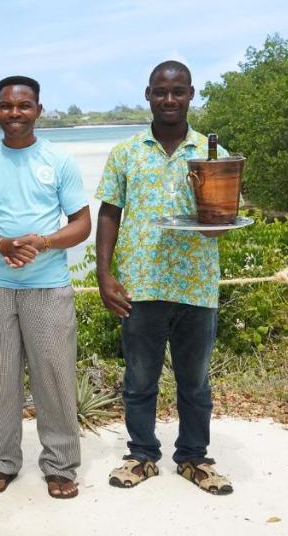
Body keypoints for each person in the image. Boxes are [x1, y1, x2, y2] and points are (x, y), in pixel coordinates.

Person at [95, 60, 234, 496]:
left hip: (195, 284)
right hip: (141, 283)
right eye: (161, 92)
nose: (169, 100)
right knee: (139, 379)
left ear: (192, 94)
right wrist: (104, 274)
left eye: (178, 92)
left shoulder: (214, 155)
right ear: (148, 94)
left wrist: (211, 211)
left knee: (195, 381)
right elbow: (109, 213)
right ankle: (142, 455)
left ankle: (194, 457)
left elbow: (223, 219)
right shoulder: (127, 152)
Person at [0, 75, 92, 500]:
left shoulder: (60, 161)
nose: (14, 113)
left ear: (38, 109)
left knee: (54, 378)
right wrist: (1, 245)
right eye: (6, 106)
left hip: (49, 286)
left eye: (23, 106)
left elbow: (82, 224)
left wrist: (44, 241)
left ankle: (60, 466)